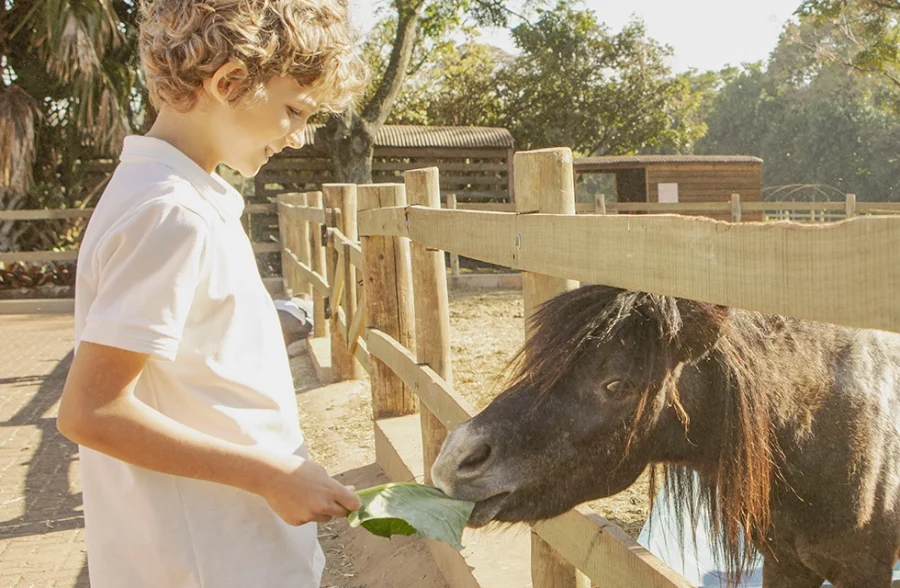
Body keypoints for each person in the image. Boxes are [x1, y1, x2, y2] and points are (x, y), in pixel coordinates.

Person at [56, 2, 367, 587]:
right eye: (294, 111)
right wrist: (271, 475)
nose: (298, 138)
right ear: (228, 83)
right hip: (210, 560)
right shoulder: (170, 213)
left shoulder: (178, 197)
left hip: (225, 548)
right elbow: (91, 412)